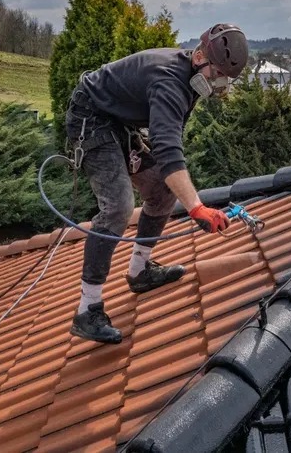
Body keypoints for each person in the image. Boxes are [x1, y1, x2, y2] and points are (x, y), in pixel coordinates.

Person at [65, 23, 249, 343]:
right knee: (118, 207)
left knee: (163, 192)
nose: (219, 82)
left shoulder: (191, 78)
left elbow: (168, 136)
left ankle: (140, 272)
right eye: (217, 73)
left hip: (119, 122)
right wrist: (196, 208)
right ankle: (87, 310)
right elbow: (168, 151)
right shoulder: (170, 82)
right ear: (200, 57)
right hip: (91, 118)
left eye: (225, 77)